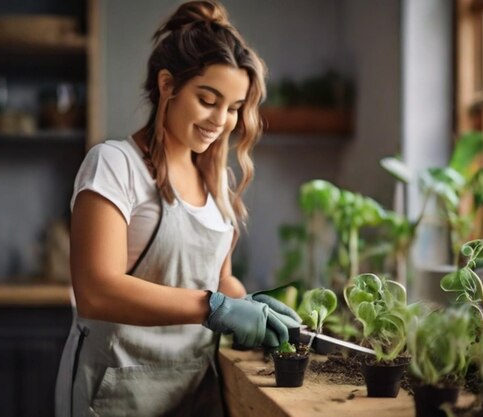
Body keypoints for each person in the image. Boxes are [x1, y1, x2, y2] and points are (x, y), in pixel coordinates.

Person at [54, 2, 301, 416]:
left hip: (191, 391)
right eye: (208, 99)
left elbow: (216, 280)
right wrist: (215, 308)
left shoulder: (215, 179)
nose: (222, 120)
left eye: (235, 107)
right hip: (116, 393)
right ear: (167, 85)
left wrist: (251, 305)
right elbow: (96, 290)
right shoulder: (116, 165)